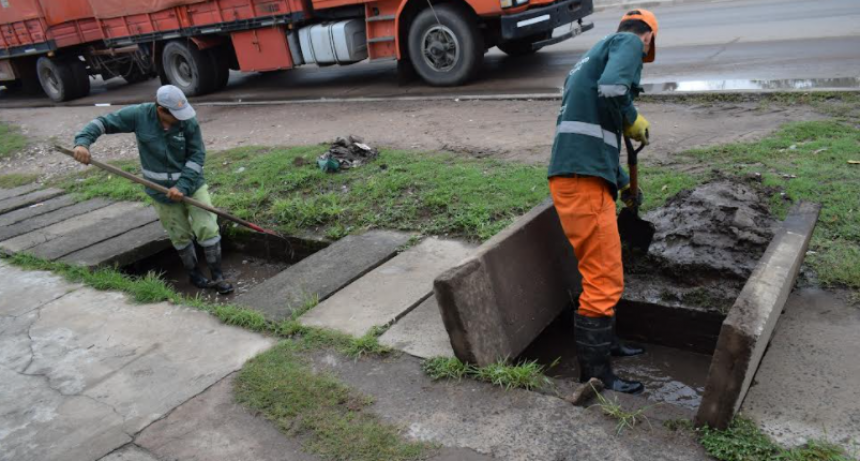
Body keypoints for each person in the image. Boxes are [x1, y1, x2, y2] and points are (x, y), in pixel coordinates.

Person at [548, 10, 659, 394]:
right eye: (647, 48)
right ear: (647, 37)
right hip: (582, 185)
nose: (641, 56)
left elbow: (592, 134)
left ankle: (607, 343)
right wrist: (631, 116)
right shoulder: (628, 41)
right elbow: (615, 91)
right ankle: (596, 375)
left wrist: (625, 182)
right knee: (604, 277)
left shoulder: (587, 62)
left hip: (581, 177)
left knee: (600, 271)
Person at [72, 85, 234, 295]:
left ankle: (217, 275)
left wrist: (182, 186)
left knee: (207, 227)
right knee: (179, 233)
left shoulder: (188, 122)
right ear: (160, 109)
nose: (181, 118)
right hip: (160, 193)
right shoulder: (139, 115)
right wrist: (83, 143)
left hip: (192, 185)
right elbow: (102, 123)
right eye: (175, 115)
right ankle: (195, 275)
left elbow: (196, 156)